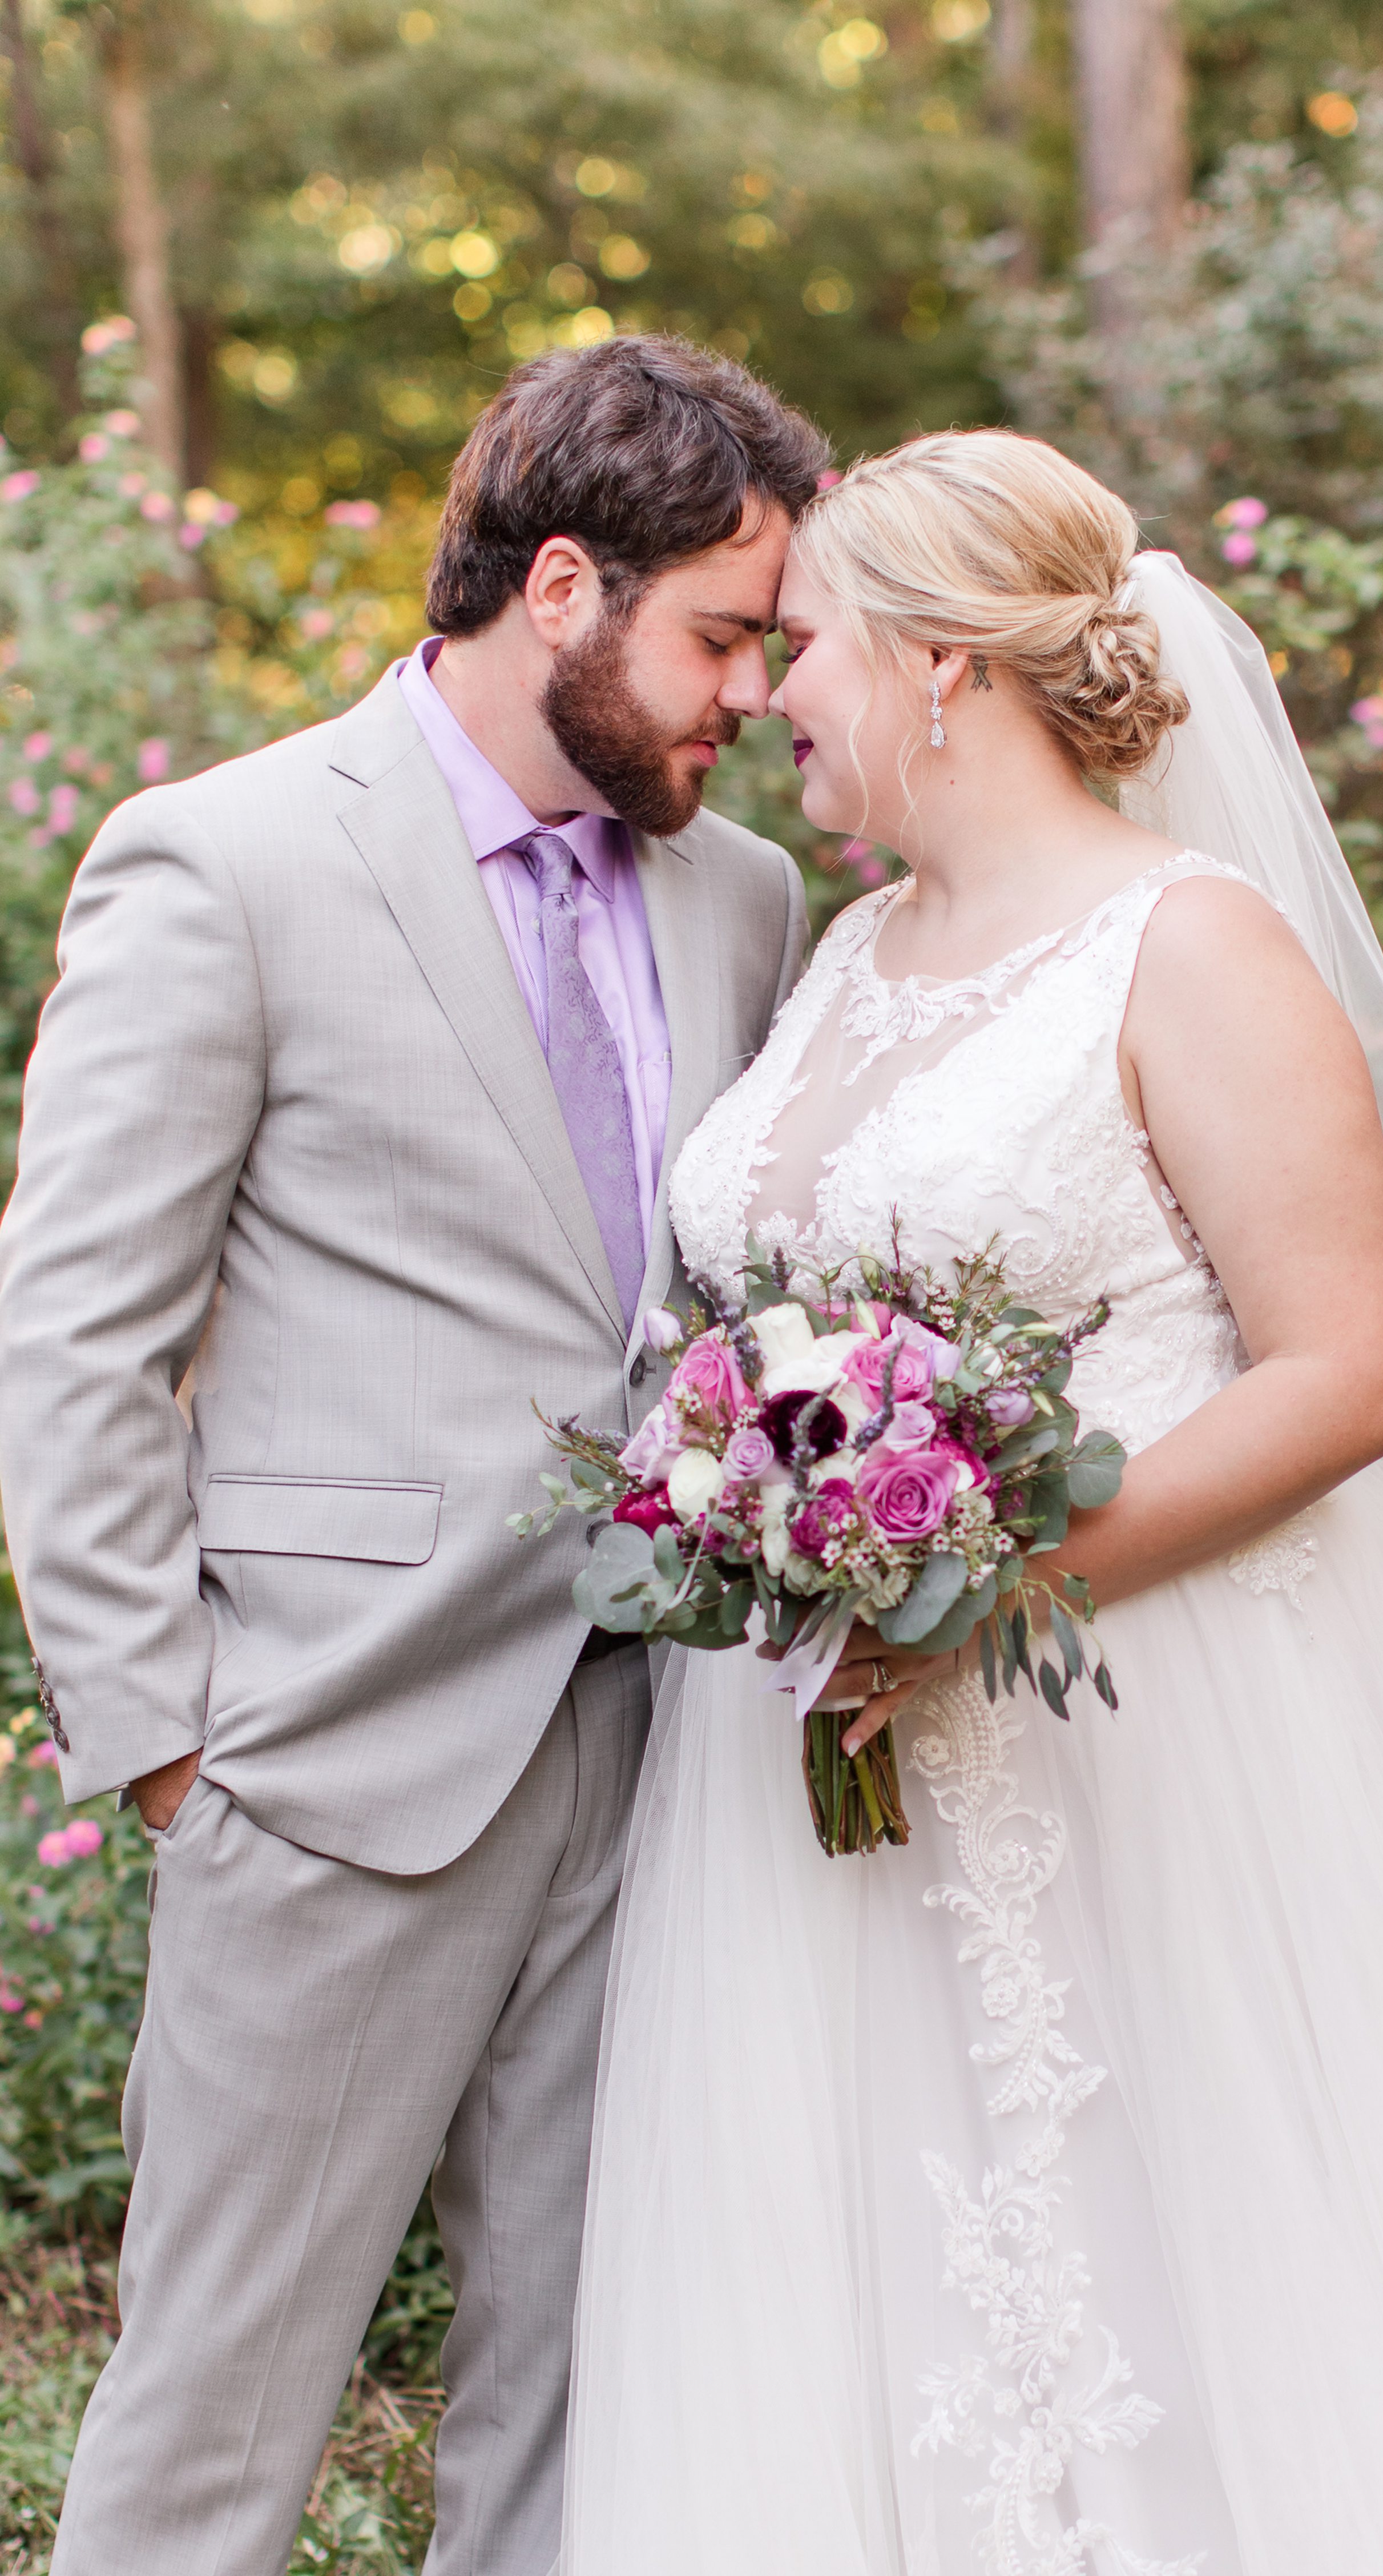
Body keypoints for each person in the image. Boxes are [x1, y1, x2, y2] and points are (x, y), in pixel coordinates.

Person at [562, 429, 1383, 2572]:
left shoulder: (1191, 945)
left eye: (806, 642)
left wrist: (981, 1595)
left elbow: (1350, 1369)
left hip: (1136, 1744)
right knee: (865, 2294)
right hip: (811, 1780)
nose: (771, 690)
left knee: (1205, 2298)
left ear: (938, 662)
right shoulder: (846, 952)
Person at [0, 335, 826, 2575]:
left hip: (660, 1768)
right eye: (720, 635)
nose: (754, 692)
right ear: (562, 586)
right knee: (212, 2436)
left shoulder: (743, 899)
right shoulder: (225, 860)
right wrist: (171, 1754)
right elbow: (76, 1335)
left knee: (579, 2413)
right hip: (326, 1766)